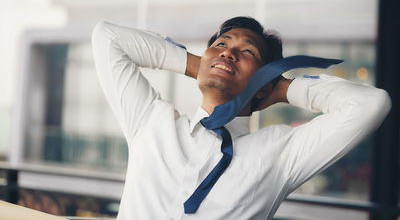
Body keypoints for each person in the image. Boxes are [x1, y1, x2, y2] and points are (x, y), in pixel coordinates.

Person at [91, 16, 391, 220]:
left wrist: (281, 87)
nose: (228, 53)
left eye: (247, 51)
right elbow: (107, 37)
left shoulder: (279, 154)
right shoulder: (151, 121)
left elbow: (371, 104)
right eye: (221, 44)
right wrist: (204, 65)